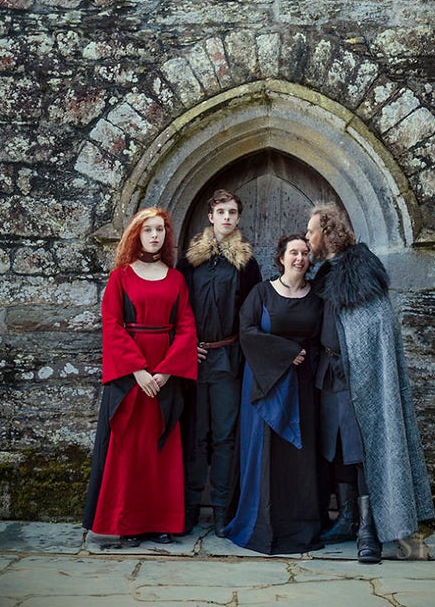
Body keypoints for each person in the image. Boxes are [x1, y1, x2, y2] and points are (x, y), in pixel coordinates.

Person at [307, 203, 434, 564]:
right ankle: (346, 518)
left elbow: (375, 327)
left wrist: (358, 365)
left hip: (357, 377)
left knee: (362, 450)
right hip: (328, 375)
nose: (307, 237)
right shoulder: (326, 273)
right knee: (337, 450)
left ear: (327, 233)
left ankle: (368, 529)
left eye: (311, 231)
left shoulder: (359, 271)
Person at [83, 207, 198, 547]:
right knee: (129, 451)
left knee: (161, 450)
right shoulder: (120, 277)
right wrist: (138, 370)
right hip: (130, 378)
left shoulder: (176, 279)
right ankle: (127, 523)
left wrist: (164, 372)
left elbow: (186, 328)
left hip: (164, 376)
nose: (154, 235)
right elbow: (112, 325)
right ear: (137, 234)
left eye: (160, 230)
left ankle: (162, 522)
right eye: (148, 230)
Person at [224, 234, 324, 555]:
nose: (300, 258)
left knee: (299, 458)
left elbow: (324, 338)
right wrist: (286, 352)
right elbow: (247, 331)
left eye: (305, 253)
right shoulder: (262, 292)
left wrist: (301, 357)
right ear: (281, 257)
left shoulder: (317, 297)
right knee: (264, 457)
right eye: (293, 252)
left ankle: (299, 526)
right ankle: (260, 524)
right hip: (265, 385)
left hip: (303, 386)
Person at [177, 189, 261, 536]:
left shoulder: (246, 264)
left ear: (238, 219)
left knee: (225, 437)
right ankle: (190, 508)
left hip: (228, 359)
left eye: (232, 212)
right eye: (221, 212)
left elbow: (253, 313)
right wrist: (184, 346)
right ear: (210, 217)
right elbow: (177, 309)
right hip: (193, 359)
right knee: (195, 436)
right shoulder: (189, 262)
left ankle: (224, 511)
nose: (227, 217)